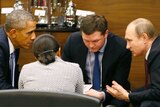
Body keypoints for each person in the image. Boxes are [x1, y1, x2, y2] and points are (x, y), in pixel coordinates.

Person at [62, 15, 132, 107]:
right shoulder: (73, 41)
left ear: (106, 34)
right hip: (81, 96)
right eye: (86, 40)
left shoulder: (121, 48)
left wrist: (102, 95)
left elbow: (119, 83)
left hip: (111, 97)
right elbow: (65, 74)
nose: (91, 45)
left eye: (95, 41)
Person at [106, 18, 160, 107]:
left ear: (144, 37)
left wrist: (128, 96)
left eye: (130, 40)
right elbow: (154, 87)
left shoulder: (157, 53)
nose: (127, 46)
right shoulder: (156, 48)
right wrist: (129, 93)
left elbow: (158, 91)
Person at [18, 34, 84, 94]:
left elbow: (22, 96)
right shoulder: (75, 69)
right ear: (59, 51)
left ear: (35, 56)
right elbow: (80, 97)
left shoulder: (26, 69)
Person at [0, 10, 37, 89]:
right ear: (13, 33)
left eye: (34, 31)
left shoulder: (15, 44)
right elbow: (0, 85)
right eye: (29, 33)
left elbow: (12, 76)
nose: (34, 37)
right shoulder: (1, 47)